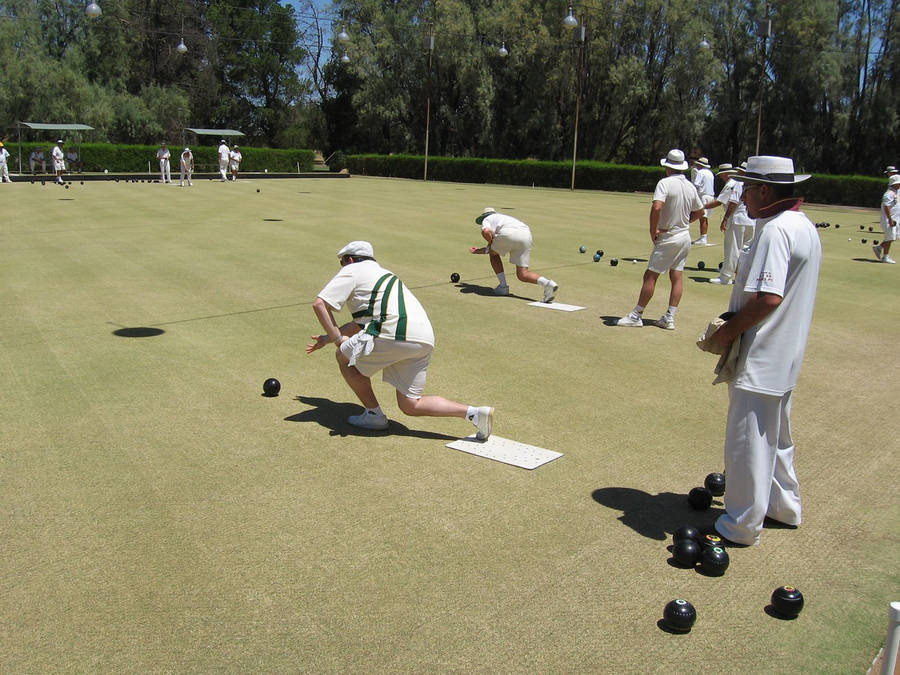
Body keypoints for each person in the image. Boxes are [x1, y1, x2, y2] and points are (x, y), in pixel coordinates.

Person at [710, 155, 821, 547]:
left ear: (764, 190)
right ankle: (783, 507)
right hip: (786, 354)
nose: (739, 194)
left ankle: (740, 525)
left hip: (762, 353)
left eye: (745, 186)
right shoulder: (804, 225)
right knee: (778, 437)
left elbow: (769, 298)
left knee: (748, 441)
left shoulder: (775, 230)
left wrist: (728, 332)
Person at [307, 241, 495, 437]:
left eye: (342, 263)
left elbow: (320, 304)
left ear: (350, 259)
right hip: (423, 338)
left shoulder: (352, 269)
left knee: (343, 356)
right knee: (411, 404)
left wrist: (337, 340)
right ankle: (475, 413)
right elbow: (360, 325)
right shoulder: (385, 274)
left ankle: (374, 415)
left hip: (393, 331)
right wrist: (326, 338)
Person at [616, 149, 704, 329]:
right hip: (684, 236)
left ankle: (636, 315)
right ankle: (669, 318)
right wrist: (685, 221)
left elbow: (657, 207)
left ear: (667, 167)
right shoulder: (689, 186)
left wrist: (652, 230)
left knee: (650, 275)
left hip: (668, 237)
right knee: (677, 275)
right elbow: (700, 211)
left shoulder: (664, 183)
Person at [469, 208, 559, 302]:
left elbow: (485, 231)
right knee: (523, 274)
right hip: (526, 234)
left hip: (508, 233)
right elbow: (494, 246)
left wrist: (490, 243)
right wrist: (485, 248)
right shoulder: (504, 218)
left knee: (493, 255)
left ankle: (503, 287)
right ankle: (548, 284)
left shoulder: (487, 219)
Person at [705, 162, 756, 285]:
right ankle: (741, 277)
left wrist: (726, 218)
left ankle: (725, 277)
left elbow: (733, 201)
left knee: (732, 249)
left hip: (738, 219)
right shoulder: (755, 183)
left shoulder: (738, 182)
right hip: (751, 220)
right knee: (746, 250)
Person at [873, 174, 900, 264]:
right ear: (894, 184)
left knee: (893, 237)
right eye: (898, 183)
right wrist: (890, 219)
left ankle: (879, 248)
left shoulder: (896, 192)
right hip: (889, 220)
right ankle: (885, 257)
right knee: (889, 238)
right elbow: (886, 207)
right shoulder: (888, 194)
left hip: (896, 219)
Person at [691, 156, 716, 245]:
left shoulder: (700, 172)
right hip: (711, 196)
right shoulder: (710, 173)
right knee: (705, 218)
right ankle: (703, 237)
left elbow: (696, 184)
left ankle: (703, 238)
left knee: (702, 218)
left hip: (703, 196)